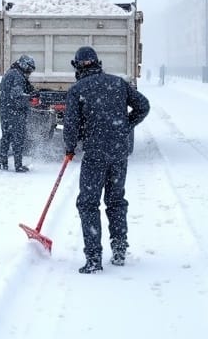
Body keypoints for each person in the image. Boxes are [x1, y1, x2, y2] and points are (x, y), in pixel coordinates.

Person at [63, 46, 150, 274]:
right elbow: (143, 106)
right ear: (97, 63)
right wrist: (124, 126)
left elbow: (70, 126)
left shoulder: (77, 90)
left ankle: (94, 258)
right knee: (116, 200)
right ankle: (119, 250)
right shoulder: (118, 83)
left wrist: (70, 147)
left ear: (77, 67)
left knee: (88, 204)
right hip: (119, 153)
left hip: (95, 154)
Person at [0, 54, 36, 172]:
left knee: (6, 136)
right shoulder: (17, 76)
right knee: (18, 138)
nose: (29, 72)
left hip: (5, 110)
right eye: (29, 69)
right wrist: (30, 98)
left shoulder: (11, 73)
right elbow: (17, 95)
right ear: (24, 65)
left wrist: (31, 91)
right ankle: (18, 165)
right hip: (14, 112)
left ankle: (3, 163)